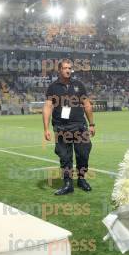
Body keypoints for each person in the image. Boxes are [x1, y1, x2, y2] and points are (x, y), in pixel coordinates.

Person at [43, 59, 95, 195]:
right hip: (62, 128)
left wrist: (92, 124)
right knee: (65, 157)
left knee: (83, 154)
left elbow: (87, 104)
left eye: (70, 68)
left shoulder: (79, 85)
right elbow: (48, 107)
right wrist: (46, 129)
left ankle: (82, 180)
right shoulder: (53, 87)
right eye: (65, 68)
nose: (68, 70)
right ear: (59, 70)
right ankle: (68, 184)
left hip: (79, 126)